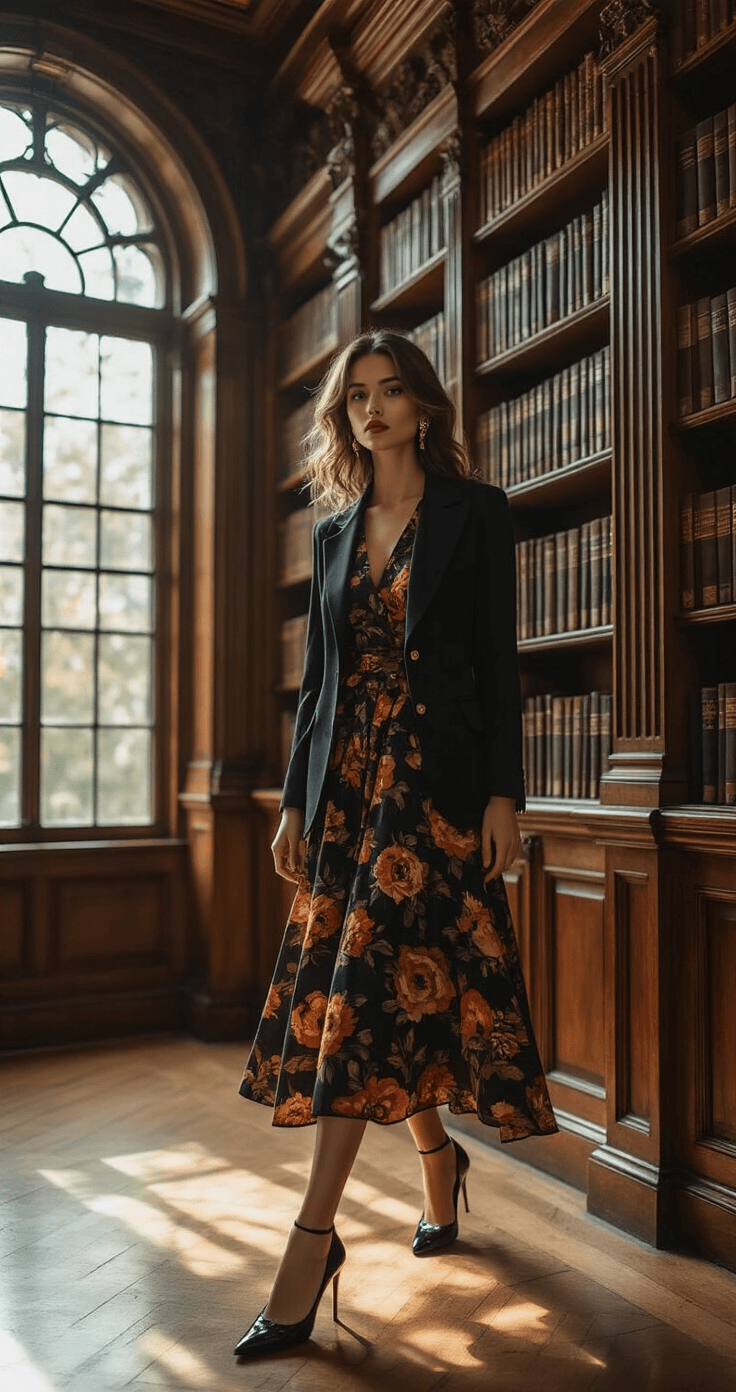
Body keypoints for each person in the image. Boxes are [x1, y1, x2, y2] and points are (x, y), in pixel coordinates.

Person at [235, 328, 558, 1358]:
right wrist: (293, 800)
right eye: (356, 396)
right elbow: (320, 685)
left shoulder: (477, 514)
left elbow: (496, 667)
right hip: (345, 795)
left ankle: (308, 1247)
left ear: (423, 407)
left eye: (390, 392)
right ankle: (439, 1169)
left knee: (369, 999)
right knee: (376, 999)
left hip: (437, 790)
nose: (372, 409)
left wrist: (506, 793)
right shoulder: (333, 533)